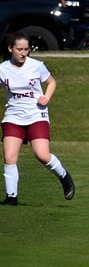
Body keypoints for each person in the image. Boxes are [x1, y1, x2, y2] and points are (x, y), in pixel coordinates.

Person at [0, 32, 75, 206]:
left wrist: (46, 97)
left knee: (42, 155)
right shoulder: (3, 69)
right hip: (13, 117)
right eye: (19, 49)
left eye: (26, 49)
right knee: (9, 157)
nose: (23, 53)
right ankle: (11, 198)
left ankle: (64, 176)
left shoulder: (36, 66)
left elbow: (51, 82)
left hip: (36, 115)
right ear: (10, 48)